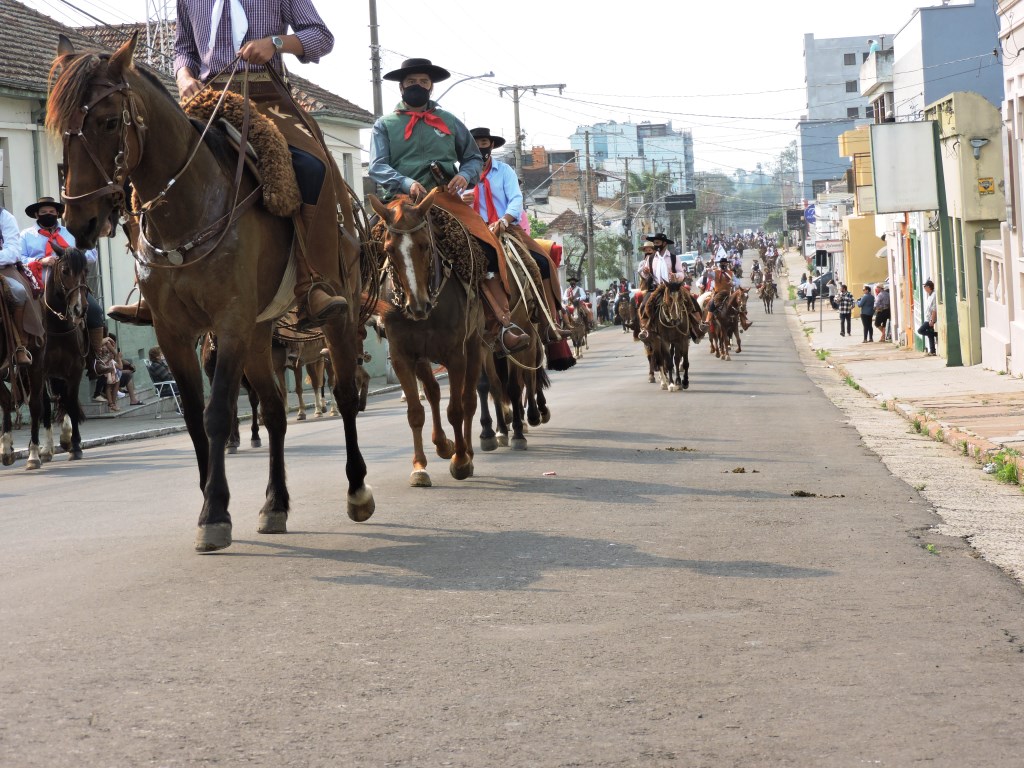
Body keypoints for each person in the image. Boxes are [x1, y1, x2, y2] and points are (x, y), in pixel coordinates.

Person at [112, 0, 351, 329]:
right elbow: (184, 50)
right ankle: (151, 287)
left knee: (312, 167)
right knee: (146, 164)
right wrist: (183, 77)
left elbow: (321, 36)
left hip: (267, 96)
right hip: (207, 100)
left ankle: (313, 282)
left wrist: (276, 43)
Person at [368, 58, 527, 353]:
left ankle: (498, 322)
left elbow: (473, 158)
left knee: (486, 244)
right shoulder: (384, 125)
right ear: (402, 85)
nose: (419, 86)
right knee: (362, 246)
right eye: (413, 82)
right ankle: (359, 321)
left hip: (443, 198)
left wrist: (464, 176)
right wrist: (406, 183)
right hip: (400, 201)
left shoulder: (450, 121)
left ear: (431, 87)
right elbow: (376, 166)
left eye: (424, 82)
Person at [466, 127, 569, 341]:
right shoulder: (461, 174)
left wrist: (504, 220)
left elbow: (515, 199)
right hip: (472, 233)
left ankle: (549, 321)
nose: (479, 147)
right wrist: (460, 200)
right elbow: (451, 200)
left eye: (483, 143)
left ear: (491, 145)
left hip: (505, 229)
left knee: (539, 263)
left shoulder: (504, 171)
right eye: (474, 143)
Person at [19, 197, 111, 375]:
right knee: (17, 310)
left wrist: (72, 257)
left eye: (52, 212)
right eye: (44, 212)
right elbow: (18, 258)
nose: (48, 215)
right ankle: (20, 353)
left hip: (71, 287)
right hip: (38, 287)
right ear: (37, 214)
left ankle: (96, 358)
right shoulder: (26, 235)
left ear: (58, 214)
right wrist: (40, 261)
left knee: (94, 310)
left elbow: (91, 254)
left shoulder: (71, 233)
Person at [0, 206, 32, 365]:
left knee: (18, 291)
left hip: (2, 268)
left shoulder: (5, 217)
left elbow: (13, 251)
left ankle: (19, 347)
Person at [918, 280, 938, 355]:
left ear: (929, 287)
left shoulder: (934, 295)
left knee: (920, 330)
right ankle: (932, 351)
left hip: (930, 319)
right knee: (930, 335)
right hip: (928, 318)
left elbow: (934, 309)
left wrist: (932, 320)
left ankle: (936, 334)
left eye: (925, 287)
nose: (924, 288)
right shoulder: (929, 295)